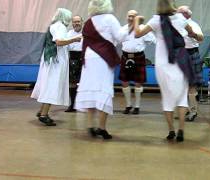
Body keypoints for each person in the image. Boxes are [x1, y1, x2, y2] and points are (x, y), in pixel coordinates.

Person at [134, 0, 198, 142]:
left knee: (167, 97)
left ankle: (171, 131)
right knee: (182, 98)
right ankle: (181, 130)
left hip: (163, 64)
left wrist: (137, 20)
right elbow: (192, 33)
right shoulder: (181, 18)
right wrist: (196, 36)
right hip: (180, 62)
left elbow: (137, 34)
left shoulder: (155, 20)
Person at [75, 0, 123, 139]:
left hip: (89, 58)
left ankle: (90, 126)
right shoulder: (110, 18)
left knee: (90, 89)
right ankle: (102, 127)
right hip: (103, 58)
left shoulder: (89, 22)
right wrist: (131, 27)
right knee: (104, 90)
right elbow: (120, 37)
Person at [31, 8, 82, 126]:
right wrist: (74, 39)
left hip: (50, 59)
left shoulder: (53, 25)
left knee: (49, 85)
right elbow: (59, 42)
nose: (69, 21)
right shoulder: (60, 27)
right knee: (52, 86)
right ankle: (44, 114)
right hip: (56, 61)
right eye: (69, 18)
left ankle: (41, 111)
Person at [119, 10, 155, 115]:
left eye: (133, 16)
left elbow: (153, 40)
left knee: (138, 82)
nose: (131, 18)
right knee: (124, 81)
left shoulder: (143, 28)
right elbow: (117, 40)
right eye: (129, 16)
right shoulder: (123, 29)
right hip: (125, 56)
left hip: (138, 56)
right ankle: (128, 105)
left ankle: (137, 106)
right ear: (127, 17)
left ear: (137, 17)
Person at [177, 6, 204, 121]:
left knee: (191, 84)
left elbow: (201, 38)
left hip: (191, 53)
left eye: (179, 13)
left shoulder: (193, 24)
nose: (177, 15)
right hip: (179, 53)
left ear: (187, 15)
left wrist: (192, 34)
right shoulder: (176, 25)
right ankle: (186, 109)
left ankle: (193, 111)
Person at [65, 15, 84, 112]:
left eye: (78, 21)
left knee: (85, 83)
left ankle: (83, 105)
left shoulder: (87, 33)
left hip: (85, 59)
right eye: (74, 22)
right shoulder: (68, 34)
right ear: (72, 23)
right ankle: (72, 105)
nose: (76, 23)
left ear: (82, 22)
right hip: (72, 59)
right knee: (72, 83)